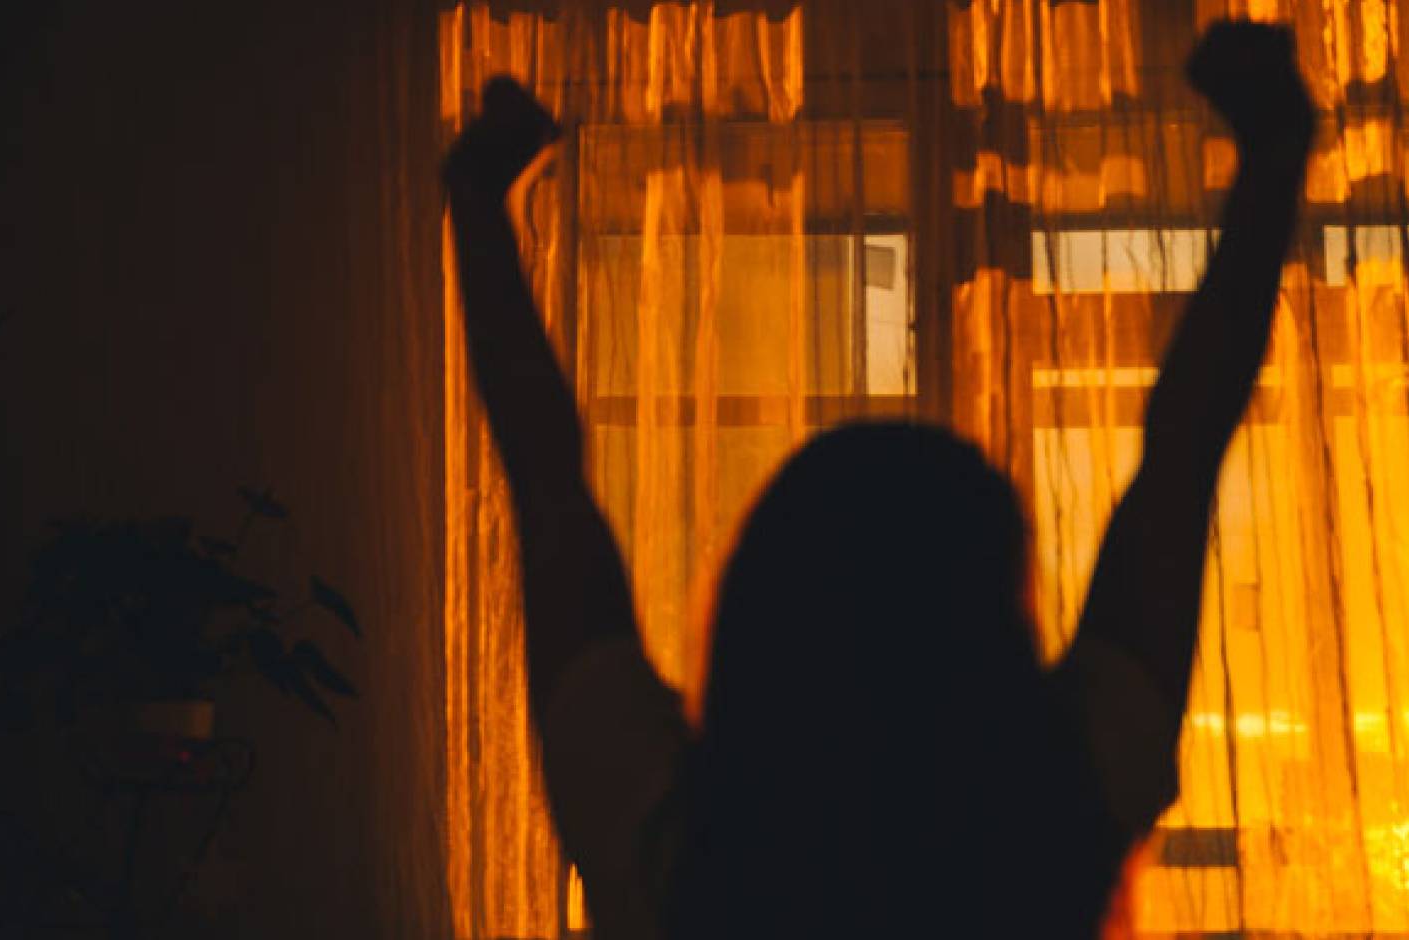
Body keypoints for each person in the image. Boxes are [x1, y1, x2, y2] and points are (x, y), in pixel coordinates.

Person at [442, 20, 1315, 939]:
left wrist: (477, 197)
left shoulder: (663, 840)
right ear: (992, 610)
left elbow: (548, 490)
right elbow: (1181, 458)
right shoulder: (1069, 806)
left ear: (759, 605)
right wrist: (1274, 149)